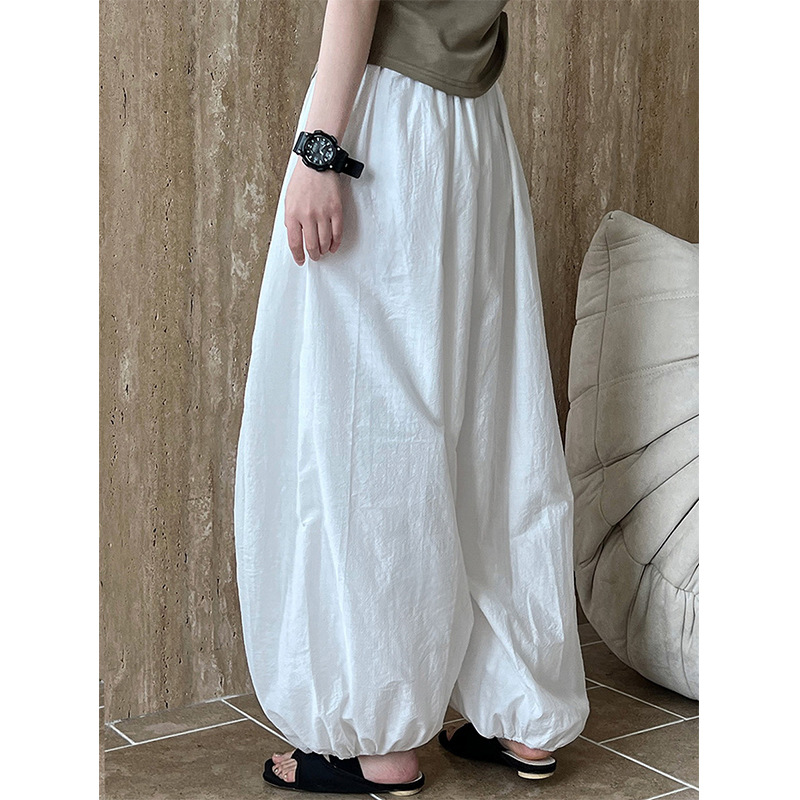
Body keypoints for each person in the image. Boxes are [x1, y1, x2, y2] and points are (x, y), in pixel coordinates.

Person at [233, 0, 590, 794]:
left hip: (384, 124)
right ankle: (524, 713)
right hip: (477, 128)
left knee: (366, 429)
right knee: (495, 422)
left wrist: (319, 148)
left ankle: (379, 740)